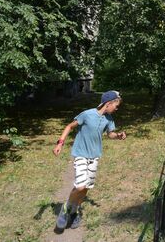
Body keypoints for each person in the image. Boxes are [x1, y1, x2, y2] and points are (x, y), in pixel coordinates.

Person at [52, 90, 127, 233]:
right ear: (108, 103)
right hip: (81, 154)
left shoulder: (109, 119)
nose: (117, 109)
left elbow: (110, 134)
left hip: (94, 157)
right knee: (80, 186)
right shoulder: (87, 114)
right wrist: (60, 143)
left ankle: (74, 212)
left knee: (86, 188)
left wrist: (118, 135)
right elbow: (69, 126)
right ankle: (65, 209)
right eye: (116, 106)